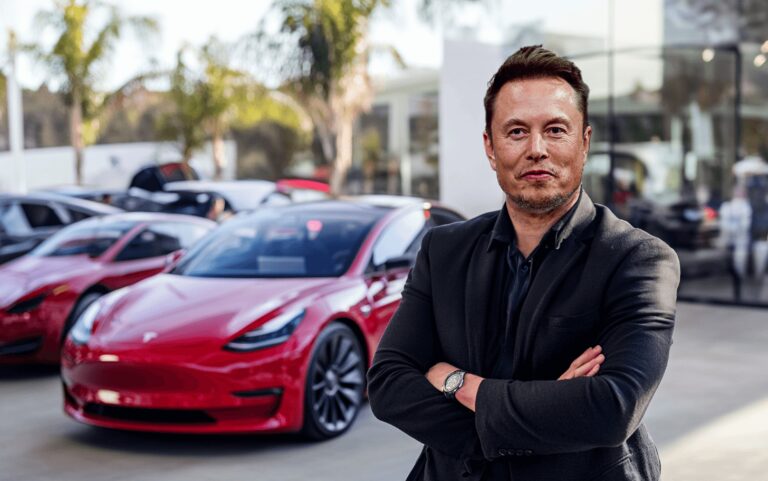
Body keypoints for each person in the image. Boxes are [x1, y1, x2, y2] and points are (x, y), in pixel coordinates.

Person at [367, 45, 680, 481]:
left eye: (555, 129)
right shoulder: (444, 251)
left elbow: (613, 407)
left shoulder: (637, 259)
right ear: (490, 147)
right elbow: (388, 385)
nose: (537, 149)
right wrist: (551, 410)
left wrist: (457, 381)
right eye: (516, 131)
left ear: (584, 142)